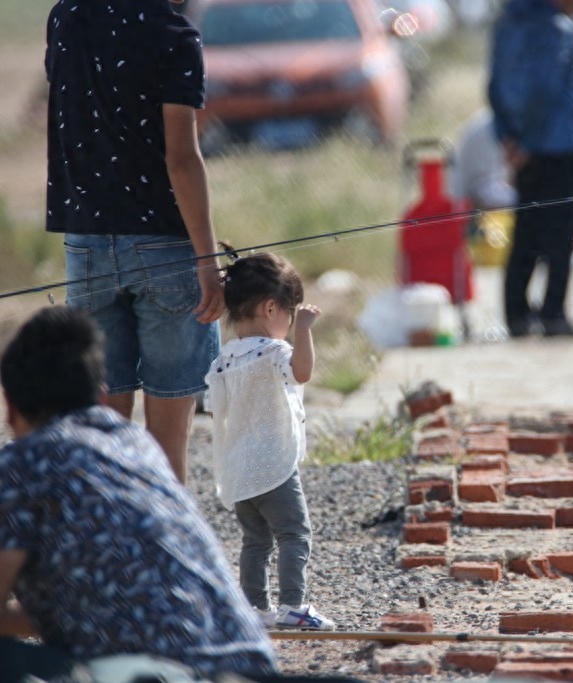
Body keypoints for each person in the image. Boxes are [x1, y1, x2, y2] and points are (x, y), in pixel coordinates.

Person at [0, 306, 277, 680]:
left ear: (10, 409)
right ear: (101, 398)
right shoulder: (135, 443)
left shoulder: (21, 464)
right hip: (251, 668)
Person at [45, 0, 225, 484]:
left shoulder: (67, 17)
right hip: (165, 247)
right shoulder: (174, 34)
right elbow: (182, 158)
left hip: (86, 244)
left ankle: (110, 550)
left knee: (104, 430)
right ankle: (164, 551)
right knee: (168, 442)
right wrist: (207, 256)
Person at [205, 252, 335, 632]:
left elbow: (215, 409)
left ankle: (255, 609)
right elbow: (303, 373)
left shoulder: (223, 360)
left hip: (238, 468)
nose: (291, 321)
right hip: (274, 465)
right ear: (271, 307)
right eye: (290, 314)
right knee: (295, 533)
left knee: (255, 542)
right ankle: (293, 606)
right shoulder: (275, 350)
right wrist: (306, 331)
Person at [488, 0, 573, 338]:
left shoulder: (506, 24)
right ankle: (553, 314)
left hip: (523, 149)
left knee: (526, 232)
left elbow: (493, 86)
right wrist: (528, 142)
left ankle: (516, 314)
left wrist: (509, 138)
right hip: (558, 147)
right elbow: (545, 91)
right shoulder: (559, 29)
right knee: (562, 237)